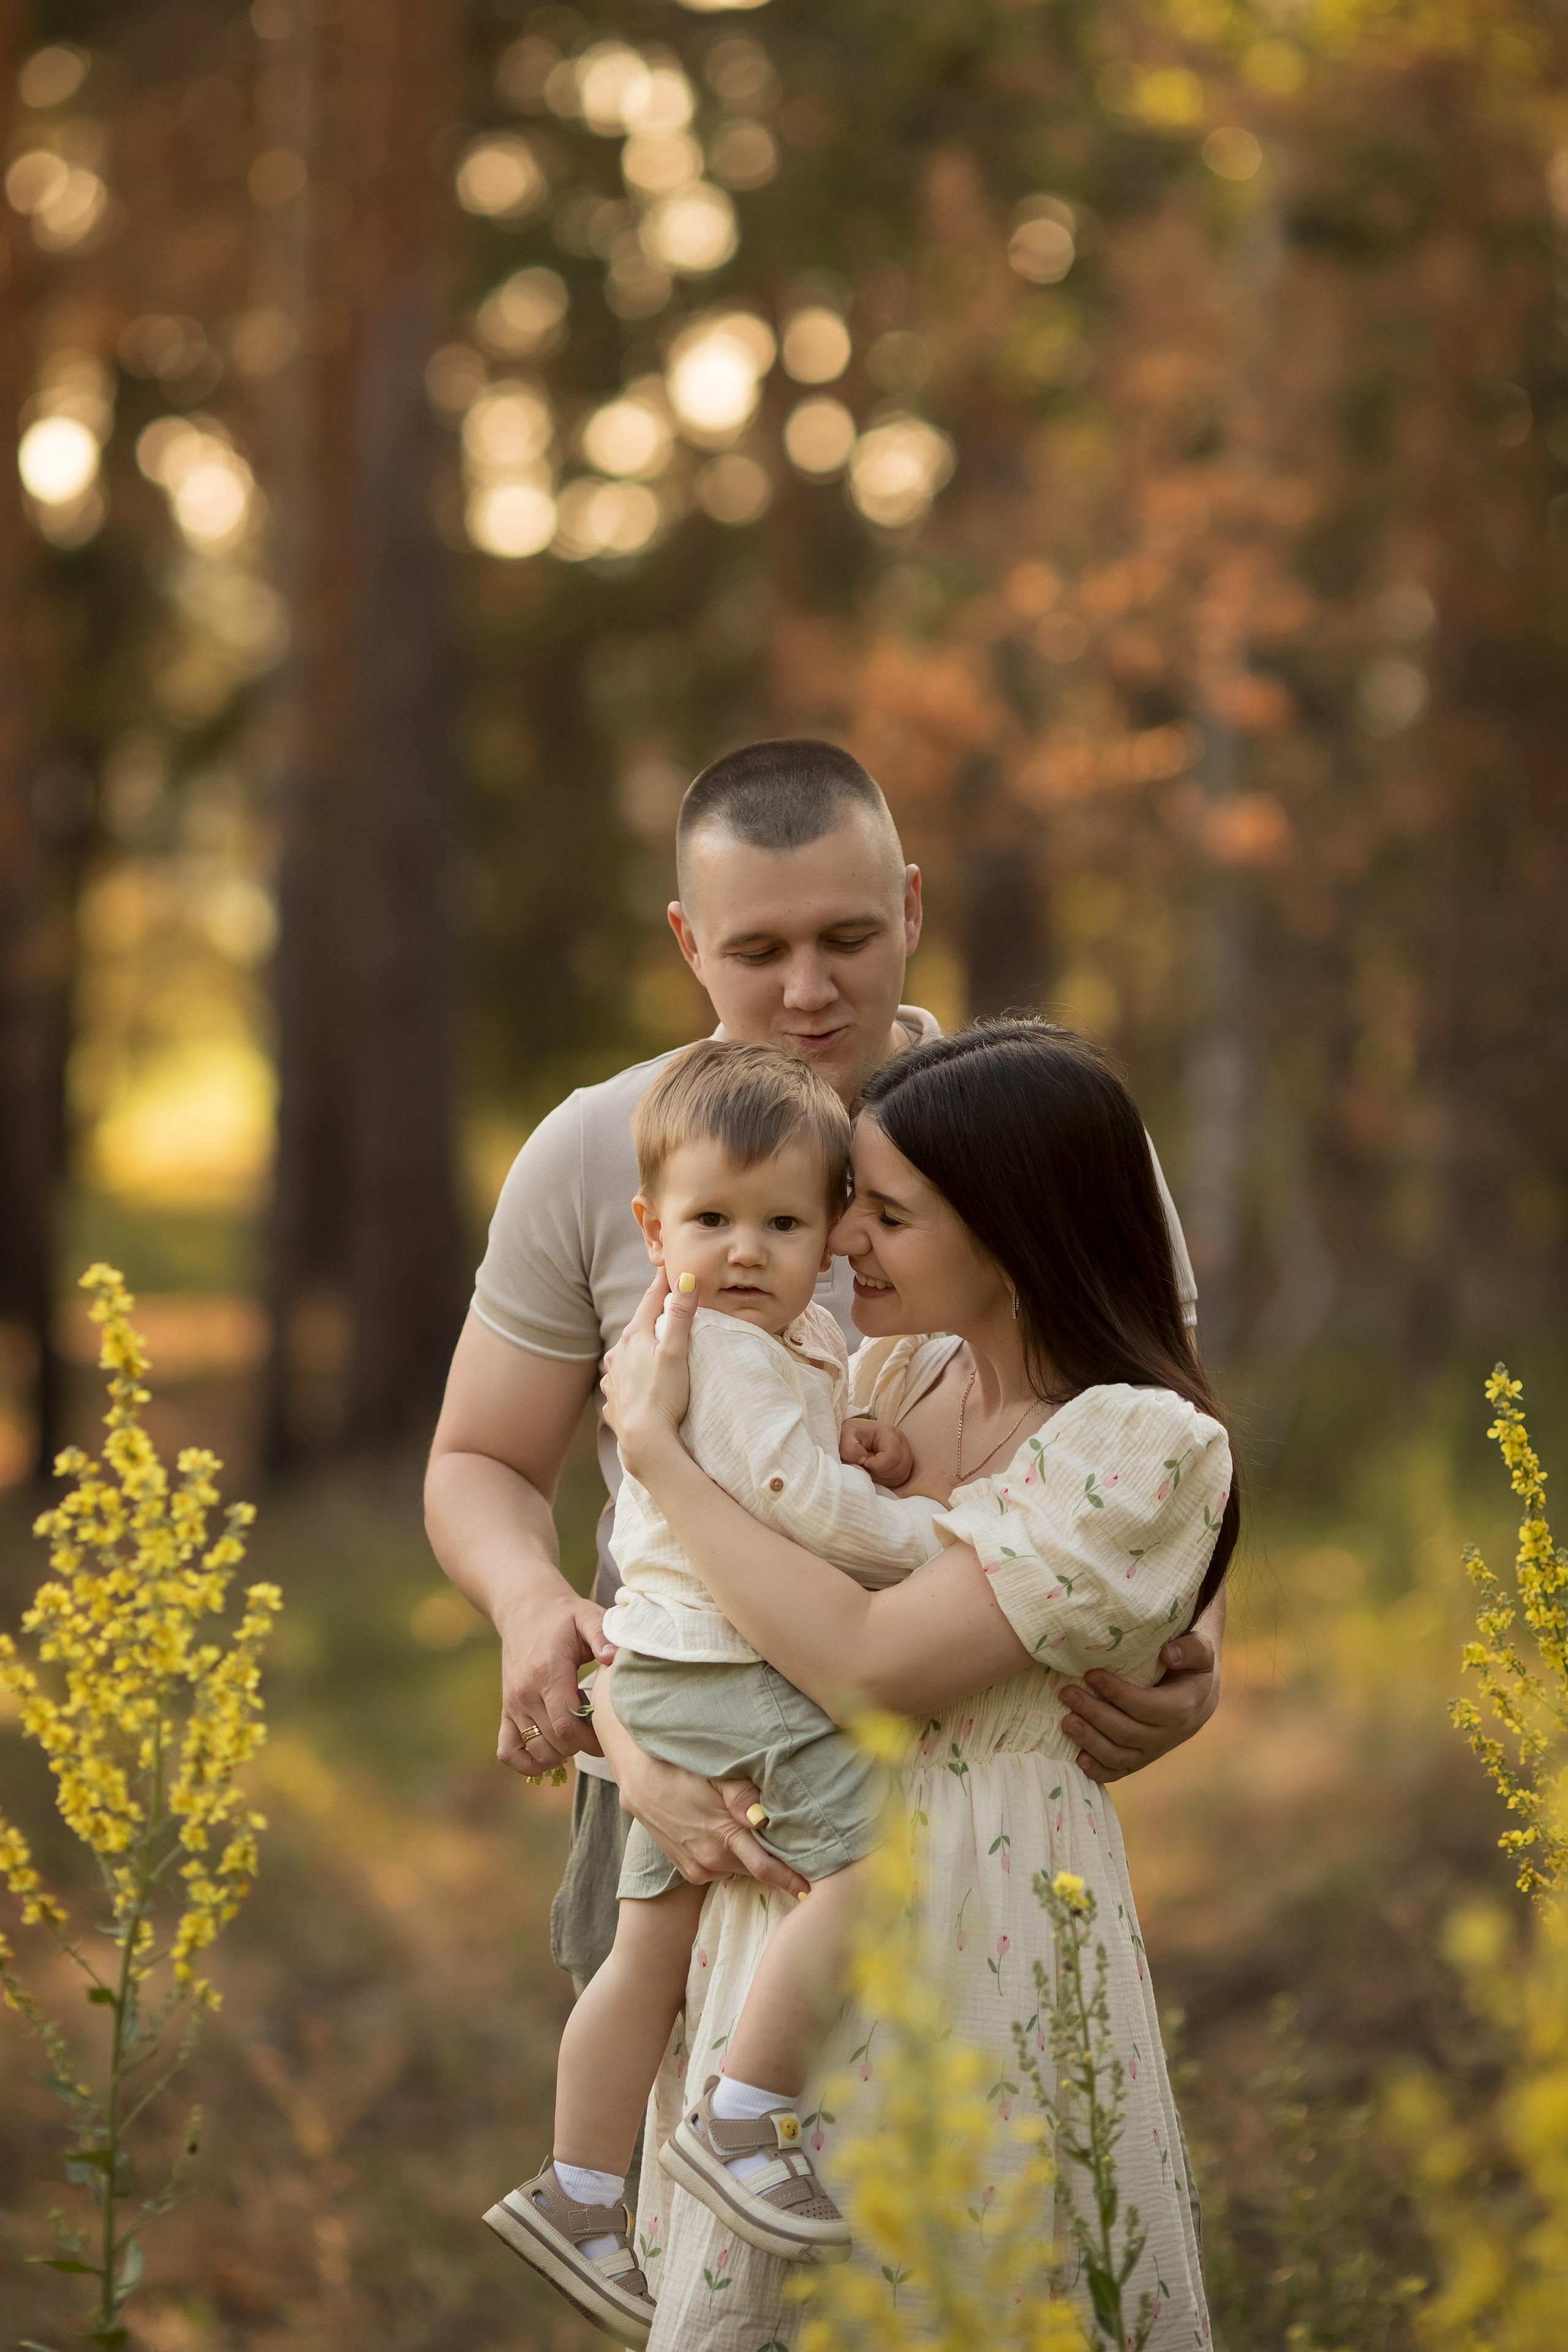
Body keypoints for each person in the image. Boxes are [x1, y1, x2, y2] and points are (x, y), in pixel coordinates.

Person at [424, 738, 1224, 2008]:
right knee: (680, 2170)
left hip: (969, 1797)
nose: (808, 990)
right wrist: (534, 1613)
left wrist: (1187, 1635)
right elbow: (479, 1461)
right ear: (687, 940)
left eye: (847, 937)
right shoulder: (596, 1151)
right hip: (683, 1775)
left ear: (909, 904)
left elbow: (1148, 1415)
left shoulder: (1037, 1135)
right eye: (756, 952)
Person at [599, 1021, 1238, 2350]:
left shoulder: (1134, 1441)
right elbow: (682, 1607)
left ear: (1013, 1228)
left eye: (883, 1216)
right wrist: (624, 1721)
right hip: (794, 1914)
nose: (837, 1246)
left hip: (982, 1919)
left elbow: (870, 1669)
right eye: (848, 1209)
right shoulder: (887, 1379)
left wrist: (657, 1457)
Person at [483, 1040, 945, 2341]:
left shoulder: (745, 1340)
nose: (746, 1249)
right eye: (711, 1221)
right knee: (869, 1864)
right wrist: (945, 1534)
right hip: (722, 1672)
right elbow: (796, 1505)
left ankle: (578, 2190)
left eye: (783, 1222)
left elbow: (781, 1458)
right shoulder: (729, 1350)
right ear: (651, 1227)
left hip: (664, 1666)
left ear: (831, 1233)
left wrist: (847, 1435)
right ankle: (747, 2116)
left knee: (645, 1958)